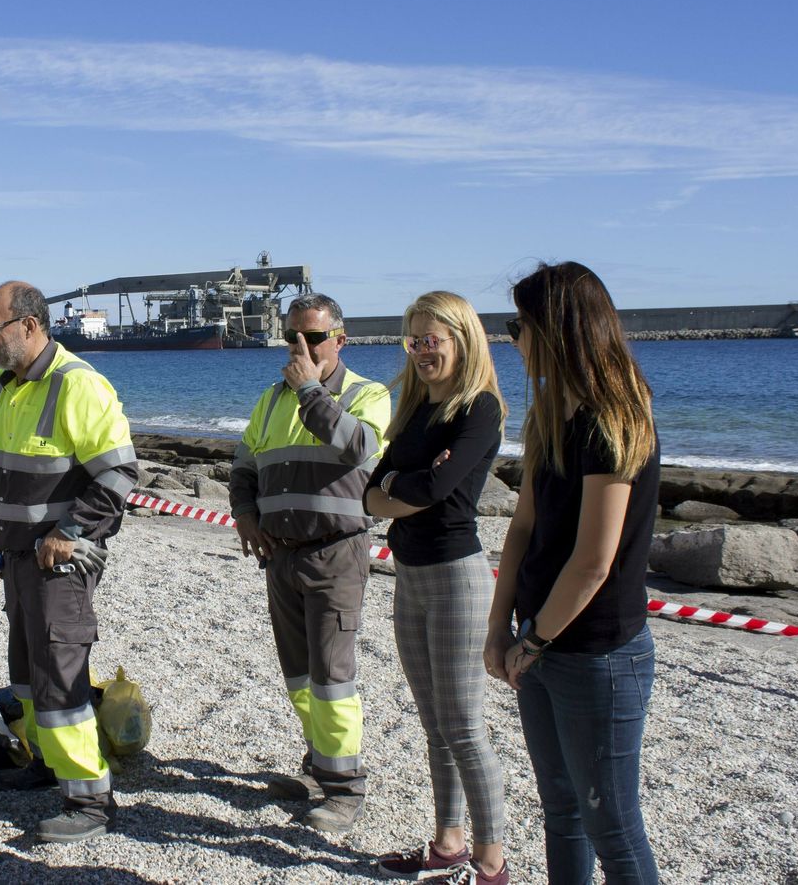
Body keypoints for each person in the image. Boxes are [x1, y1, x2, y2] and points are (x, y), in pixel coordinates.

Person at [486, 262, 662, 885]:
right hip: (541, 636)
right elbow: (524, 528)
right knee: (560, 812)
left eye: (519, 326)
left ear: (557, 329)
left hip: (597, 652)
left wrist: (532, 642)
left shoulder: (612, 418)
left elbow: (593, 562)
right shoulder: (549, 416)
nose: (515, 340)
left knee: (611, 824)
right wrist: (498, 628)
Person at [0, 280, 139, 843]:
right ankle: (48, 766)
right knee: (26, 672)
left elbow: (119, 473)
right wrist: (1, 543)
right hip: (19, 557)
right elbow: (8, 479)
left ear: (29, 324)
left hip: (60, 562)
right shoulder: (5, 387)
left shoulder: (78, 384)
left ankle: (89, 802)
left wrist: (69, 532)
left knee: (59, 673)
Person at [228, 293, 391, 833]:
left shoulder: (367, 394)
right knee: (299, 675)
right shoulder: (272, 400)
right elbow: (246, 462)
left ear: (340, 341)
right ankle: (320, 767)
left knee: (332, 676)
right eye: (292, 336)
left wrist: (310, 390)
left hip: (336, 555)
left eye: (314, 337)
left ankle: (346, 788)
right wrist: (245, 513)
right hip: (281, 556)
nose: (302, 346)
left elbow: (358, 447)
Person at [366, 292, 512, 884]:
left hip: (458, 577)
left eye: (434, 339)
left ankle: (492, 862)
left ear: (462, 339)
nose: (424, 350)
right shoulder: (412, 409)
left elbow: (433, 489)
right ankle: (447, 844)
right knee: (433, 723)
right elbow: (372, 493)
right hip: (410, 574)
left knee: (464, 726)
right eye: (415, 340)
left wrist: (403, 486)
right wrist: (406, 483)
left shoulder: (480, 409)